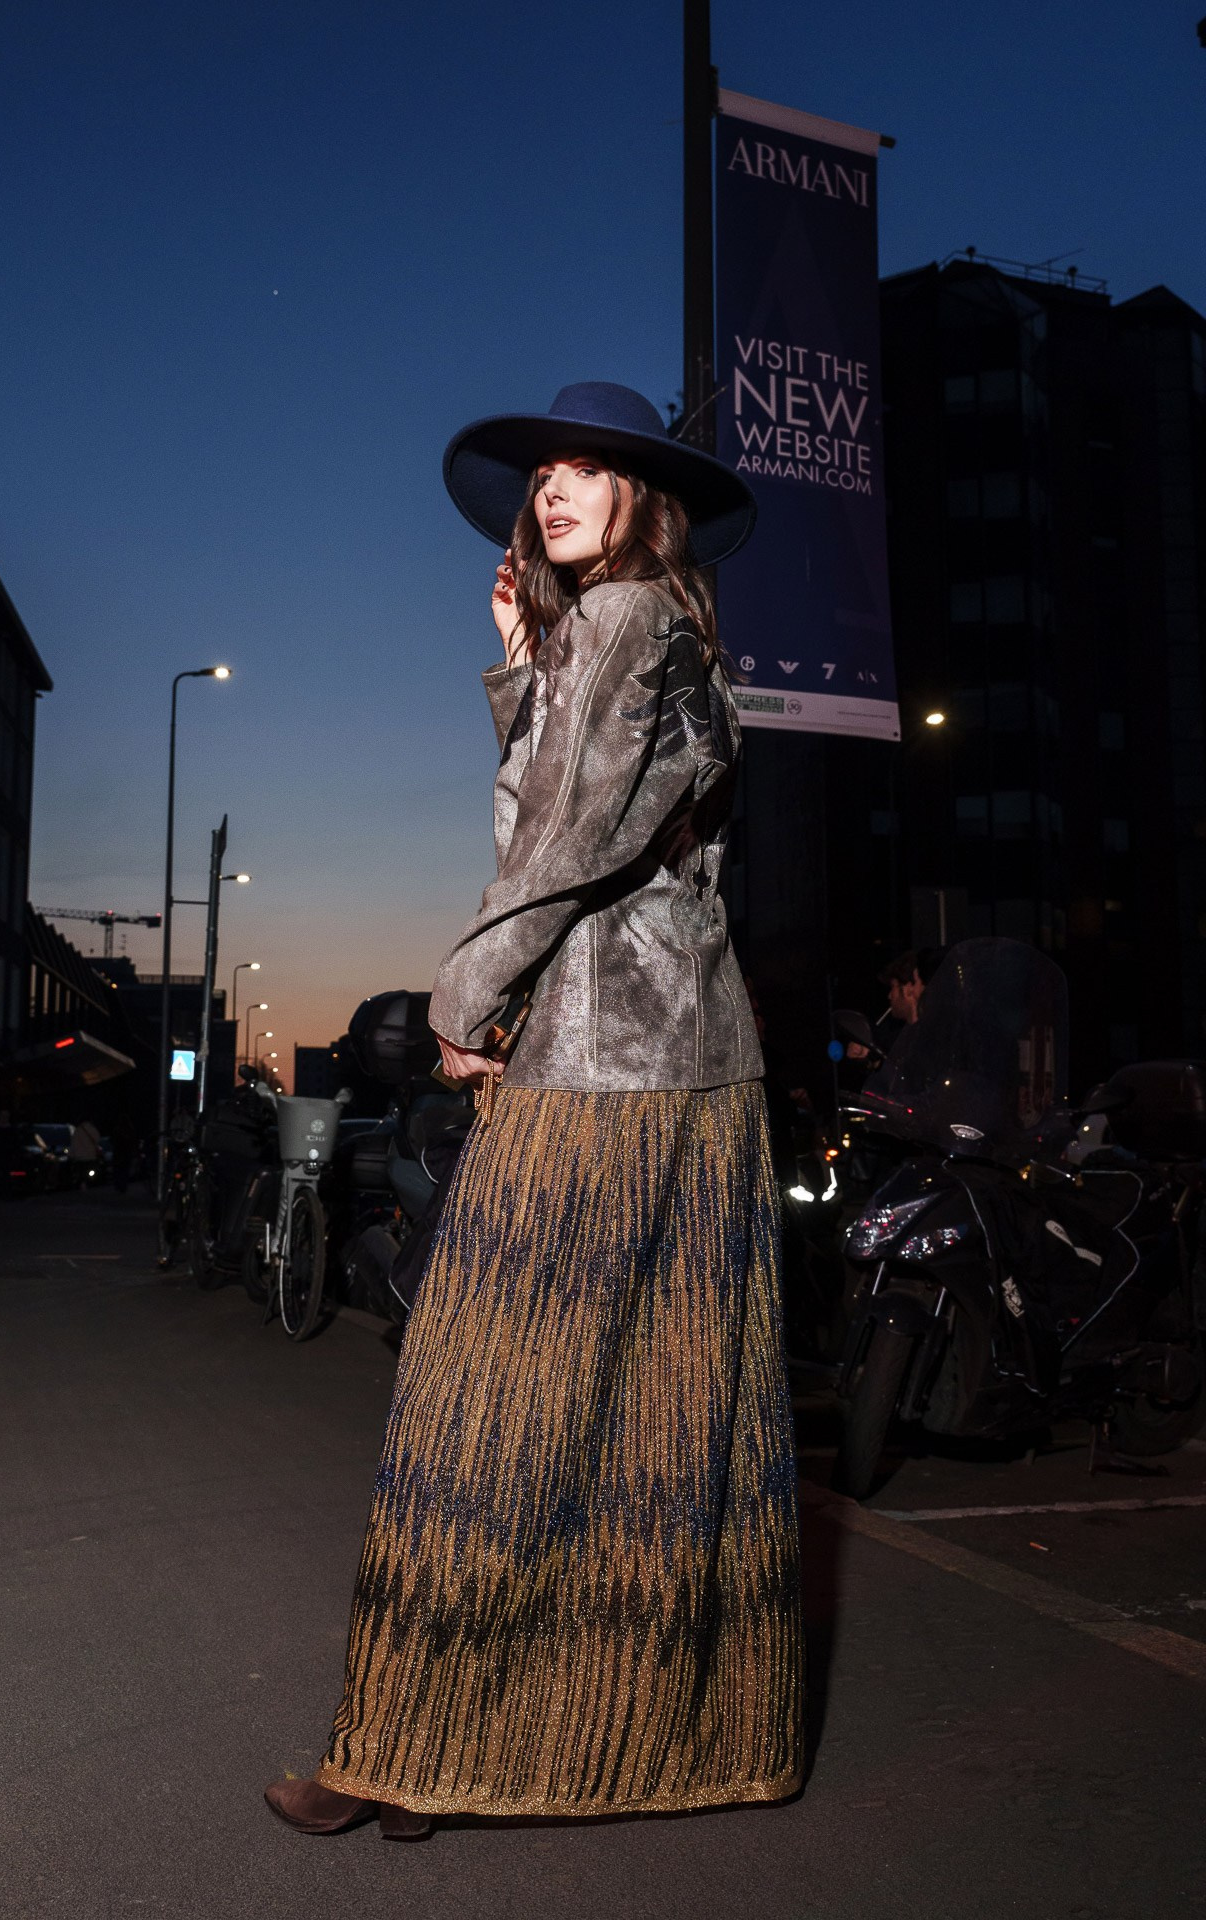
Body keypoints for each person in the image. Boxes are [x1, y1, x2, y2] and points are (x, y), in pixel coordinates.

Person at [265, 382, 804, 1840]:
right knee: (640, 1417)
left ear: (647, 501)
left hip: (607, 1064)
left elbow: (564, 846)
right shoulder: (640, 634)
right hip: (680, 1064)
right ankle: (491, 1746)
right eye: (546, 468)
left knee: (480, 1412)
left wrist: (462, 990)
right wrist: (518, 671)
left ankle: (410, 1747)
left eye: (592, 469)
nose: (557, 487)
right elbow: (559, 814)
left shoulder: (631, 621)